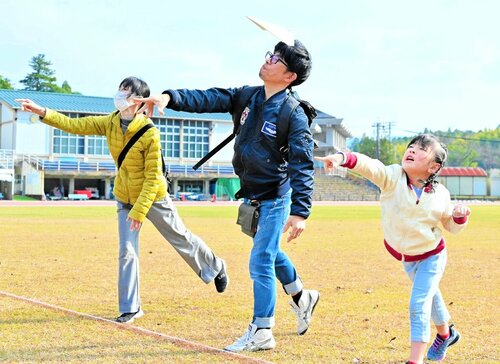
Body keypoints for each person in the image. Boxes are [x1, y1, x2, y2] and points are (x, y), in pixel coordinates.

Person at [136, 40, 320, 352]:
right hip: (251, 195)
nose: (268, 61)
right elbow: (210, 97)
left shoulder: (294, 114)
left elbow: (303, 164)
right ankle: (303, 297)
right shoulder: (248, 96)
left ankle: (262, 331)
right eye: (270, 55)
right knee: (270, 253)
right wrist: (169, 97)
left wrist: (301, 212)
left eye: (276, 60)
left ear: (289, 76)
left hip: (276, 196)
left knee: (261, 259)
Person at [16, 76, 228, 324]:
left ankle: (216, 265)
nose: (120, 94)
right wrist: (42, 111)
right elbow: (76, 125)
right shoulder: (110, 122)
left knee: (180, 237)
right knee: (126, 252)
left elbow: (153, 177)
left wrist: (139, 212)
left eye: (126, 91)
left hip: (153, 197)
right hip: (125, 196)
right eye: (120, 89)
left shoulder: (150, 133)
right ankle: (131, 308)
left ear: (138, 101)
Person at [315, 134, 470, 364]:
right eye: (412, 146)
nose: (413, 150)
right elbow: (369, 165)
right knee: (430, 295)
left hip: (432, 255)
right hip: (407, 257)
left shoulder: (441, 194)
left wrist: (458, 218)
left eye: (421, 149)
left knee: (419, 303)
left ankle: (414, 360)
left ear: (433, 166)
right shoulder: (392, 176)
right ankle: (446, 334)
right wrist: (341, 157)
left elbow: (450, 226)